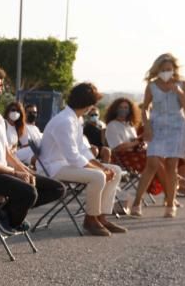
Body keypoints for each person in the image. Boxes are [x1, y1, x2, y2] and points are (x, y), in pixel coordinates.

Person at [0, 66, 65, 231]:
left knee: (57, 188)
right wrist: (15, 173)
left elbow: (6, 152)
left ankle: (5, 211)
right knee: (29, 192)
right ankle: (12, 220)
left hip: (1, 172)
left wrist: (24, 170)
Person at [39, 84, 127, 236]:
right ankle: (90, 219)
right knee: (98, 176)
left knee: (115, 171)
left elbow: (82, 151)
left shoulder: (75, 119)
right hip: (53, 168)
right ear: (87, 104)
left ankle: (101, 217)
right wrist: (100, 170)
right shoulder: (65, 121)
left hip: (66, 165)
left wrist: (102, 166)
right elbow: (73, 157)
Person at [130, 53, 185, 218]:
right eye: (163, 69)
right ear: (157, 70)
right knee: (151, 163)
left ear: (174, 70)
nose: (166, 72)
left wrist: (178, 91)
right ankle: (137, 203)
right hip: (156, 127)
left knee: (172, 165)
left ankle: (170, 204)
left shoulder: (182, 83)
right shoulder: (152, 86)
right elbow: (145, 108)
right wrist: (147, 126)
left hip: (177, 127)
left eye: (169, 69)